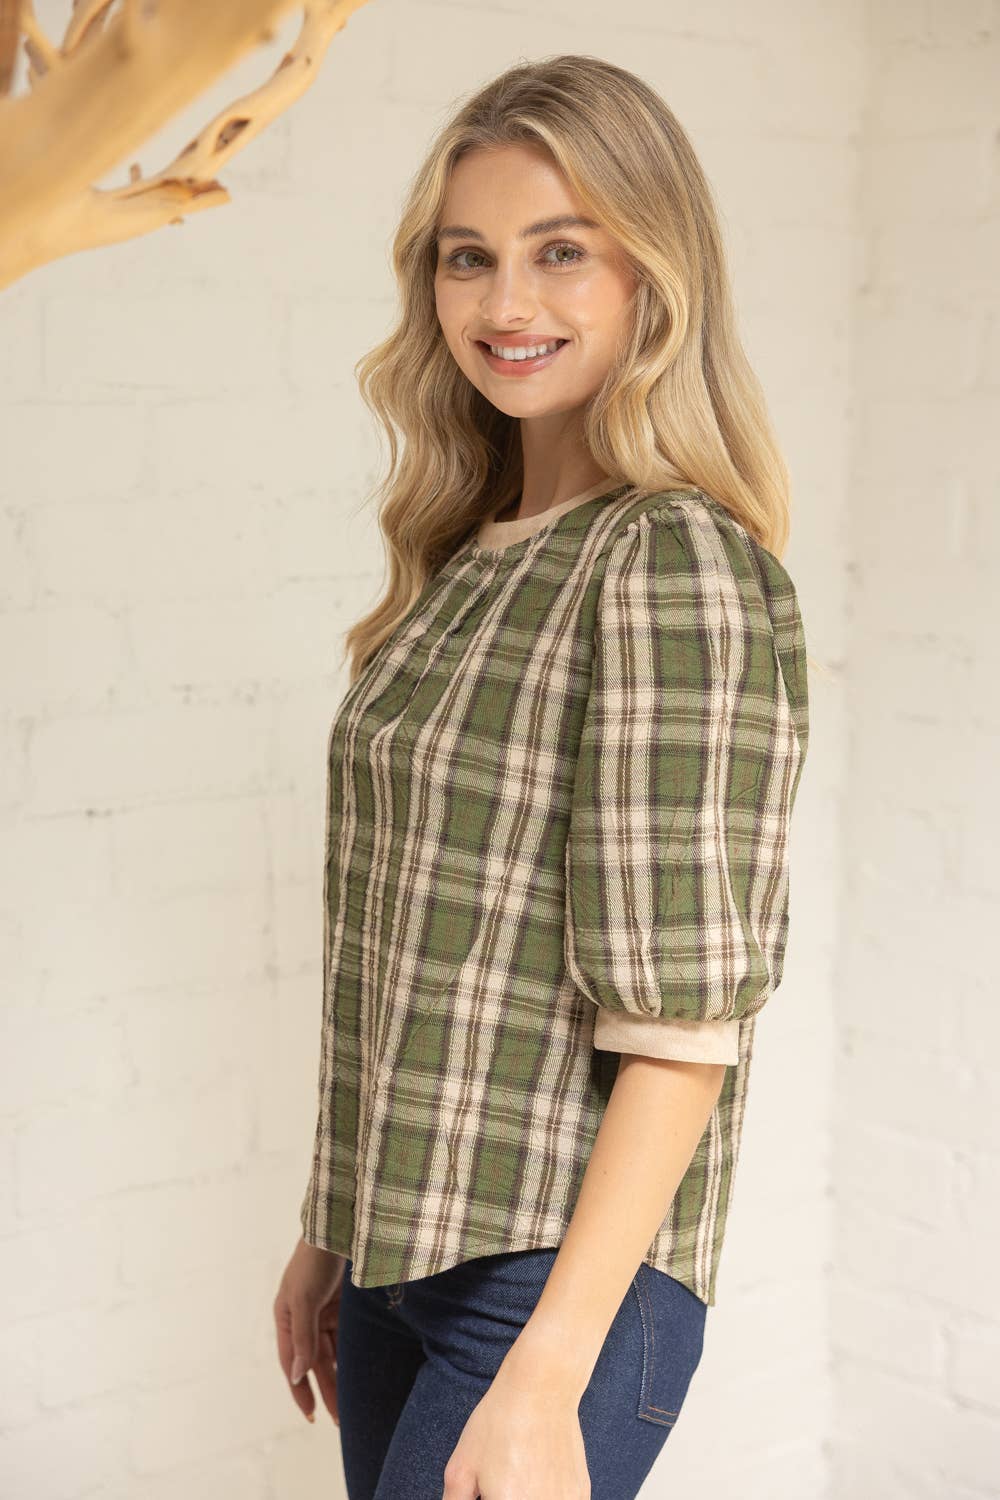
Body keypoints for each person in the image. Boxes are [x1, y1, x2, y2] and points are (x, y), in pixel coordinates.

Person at [273, 53, 810, 1500]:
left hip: (552, 1288)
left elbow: (683, 1021)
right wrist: (333, 1227)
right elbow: (411, 942)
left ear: (654, 276)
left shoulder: (670, 560)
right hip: (402, 1252)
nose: (506, 304)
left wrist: (549, 1371)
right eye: (470, 257)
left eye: (560, 252)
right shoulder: (465, 558)